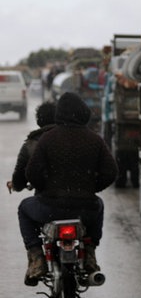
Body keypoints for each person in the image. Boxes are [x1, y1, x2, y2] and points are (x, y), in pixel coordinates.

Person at [18, 92, 117, 285]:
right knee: (100, 205)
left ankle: (37, 257)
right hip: (86, 209)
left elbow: (32, 173)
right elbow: (111, 172)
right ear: (83, 112)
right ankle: (89, 253)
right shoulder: (94, 139)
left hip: (50, 207)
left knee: (24, 208)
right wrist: (92, 189)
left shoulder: (48, 139)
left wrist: (45, 189)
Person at [9, 102, 56, 193]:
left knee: (25, 206)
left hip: (46, 199)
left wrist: (15, 185)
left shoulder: (31, 144)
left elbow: (19, 180)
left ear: (38, 121)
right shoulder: (73, 138)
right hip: (79, 200)